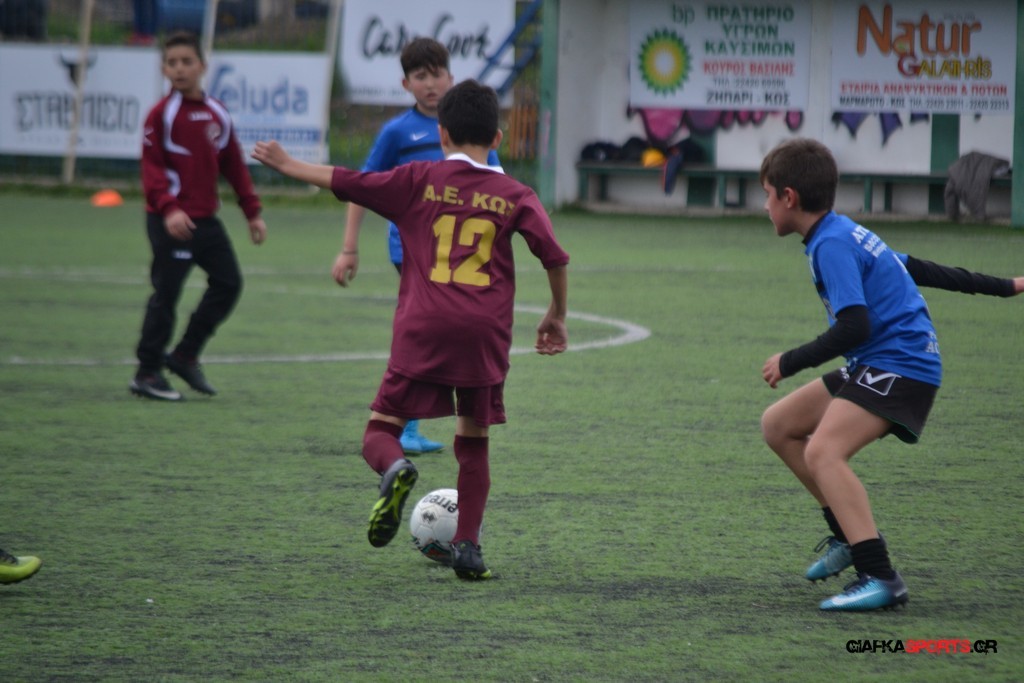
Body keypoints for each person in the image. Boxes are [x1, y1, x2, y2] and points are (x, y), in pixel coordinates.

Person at [253, 80, 570, 581]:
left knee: (380, 431)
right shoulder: (515, 193)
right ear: (498, 139)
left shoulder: (418, 179)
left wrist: (288, 164)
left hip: (424, 326)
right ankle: (468, 549)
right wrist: (556, 313)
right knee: (474, 439)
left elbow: (348, 181)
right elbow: (553, 255)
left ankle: (395, 467)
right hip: (484, 333)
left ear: (441, 134)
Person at [757, 137, 1022, 612]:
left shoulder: (831, 244)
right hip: (879, 362)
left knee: (824, 452)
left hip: (902, 365)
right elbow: (918, 268)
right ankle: (848, 535)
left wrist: (789, 361)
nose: (765, 205)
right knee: (779, 425)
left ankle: (879, 576)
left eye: (767, 195)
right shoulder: (841, 231)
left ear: (789, 197)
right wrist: (1005, 286)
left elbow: (854, 326)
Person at [332, 37, 502, 456]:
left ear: (451, 77)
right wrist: (349, 247)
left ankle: (418, 422)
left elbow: (497, 186)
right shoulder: (396, 133)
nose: (430, 84)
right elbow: (361, 187)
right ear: (405, 84)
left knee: (447, 331)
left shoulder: (468, 129)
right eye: (420, 77)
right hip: (409, 249)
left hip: (459, 252)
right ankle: (405, 425)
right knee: (424, 333)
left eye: (436, 74)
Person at [130, 31, 267, 401]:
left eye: (186, 62)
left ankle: (185, 355)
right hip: (170, 221)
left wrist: (252, 212)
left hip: (205, 220)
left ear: (202, 66)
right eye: (172, 63)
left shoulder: (216, 112)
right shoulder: (161, 114)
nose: (179, 69)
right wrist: (169, 209)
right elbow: (152, 170)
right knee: (167, 294)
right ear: (164, 69)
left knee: (228, 284)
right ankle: (147, 372)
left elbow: (233, 164)